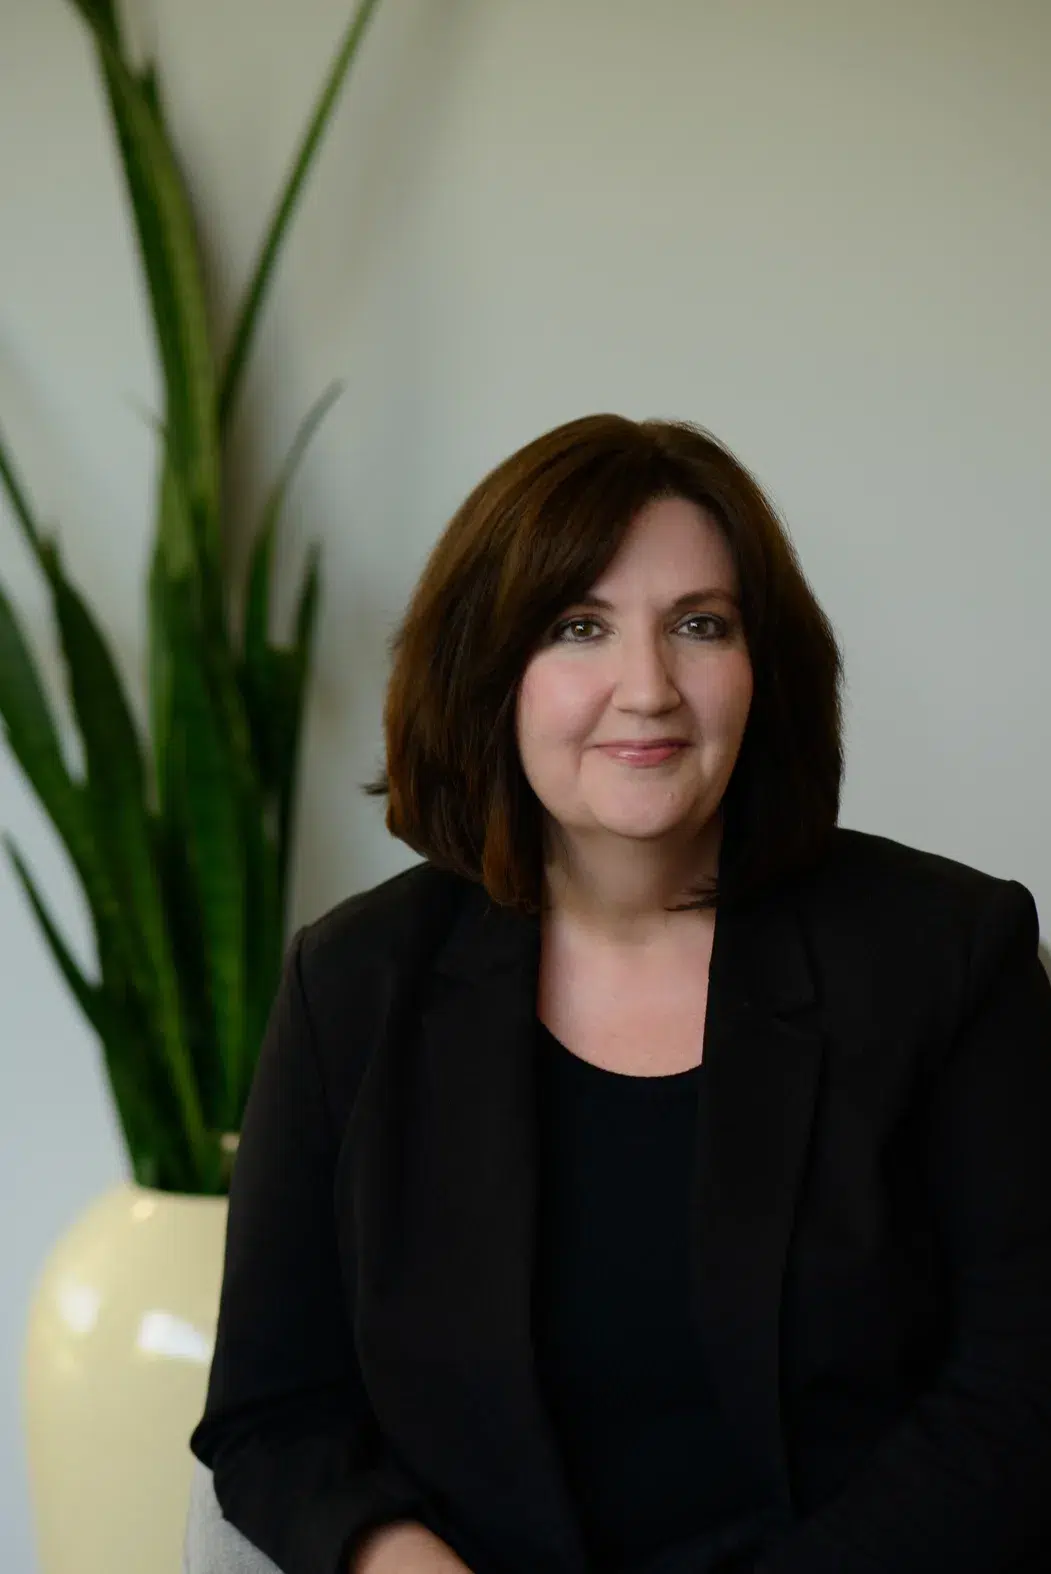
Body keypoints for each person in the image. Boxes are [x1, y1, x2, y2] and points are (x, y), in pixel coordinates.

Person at [188, 413, 1051, 1574]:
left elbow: (1018, 1390)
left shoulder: (949, 953)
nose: (647, 687)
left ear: (763, 668)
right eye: (577, 626)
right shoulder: (350, 985)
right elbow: (272, 1413)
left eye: (700, 624)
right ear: (490, 674)